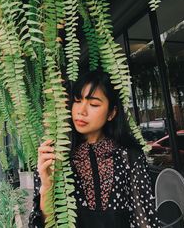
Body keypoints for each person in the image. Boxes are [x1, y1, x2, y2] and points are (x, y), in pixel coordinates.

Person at [29, 70, 160, 228]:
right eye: (77, 101)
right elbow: (43, 225)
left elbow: (145, 220)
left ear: (111, 113)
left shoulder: (129, 157)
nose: (81, 111)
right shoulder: (55, 157)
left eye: (93, 104)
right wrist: (46, 186)